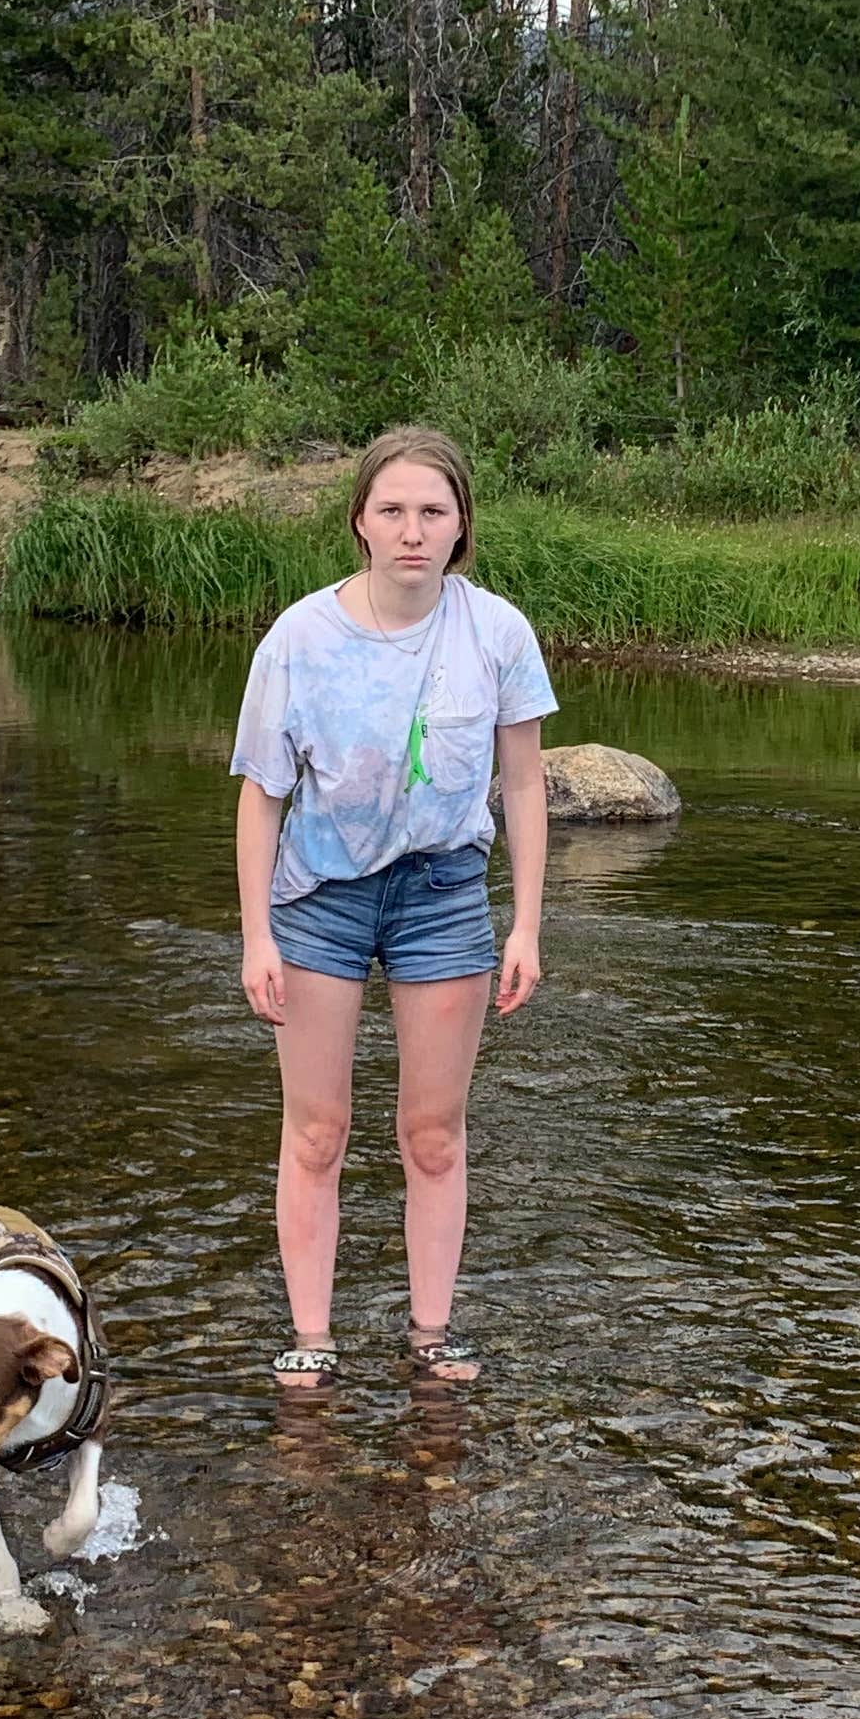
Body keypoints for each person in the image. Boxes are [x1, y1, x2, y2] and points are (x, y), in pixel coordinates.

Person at [232, 425, 555, 1391]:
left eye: (433, 512)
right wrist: (256, 936)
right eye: (394, 510)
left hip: (443, 897)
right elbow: (261, 795)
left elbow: (525, 784)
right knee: (316, 1132)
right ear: (361, 523)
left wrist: (526, 924)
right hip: (319, 900)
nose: (413, 530)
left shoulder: (497, 633)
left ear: (460, 527)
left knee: (434, 1135)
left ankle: (431, 1333)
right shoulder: (299, 637)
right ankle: (312, 1336)